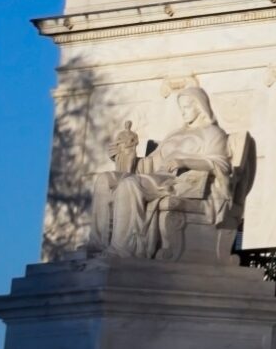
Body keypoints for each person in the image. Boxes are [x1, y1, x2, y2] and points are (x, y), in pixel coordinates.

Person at [92, 86, 244, 260]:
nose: (183, 112)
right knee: (105, 180)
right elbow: (151, 163)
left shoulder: (213, 133)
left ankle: (122, 249)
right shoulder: (175, 134)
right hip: (156, 176)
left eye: (187, 107)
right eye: (181, 108)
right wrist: (127, 157)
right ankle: (98, 244)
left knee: (130, 185)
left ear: (199, 106)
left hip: (180, 182)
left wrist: (185, 161)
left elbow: (221, 163)